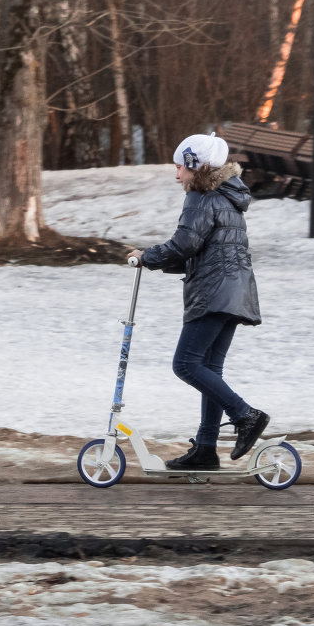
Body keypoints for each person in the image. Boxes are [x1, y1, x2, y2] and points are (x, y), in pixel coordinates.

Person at [127, 132, 269, 471]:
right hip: (235, 291)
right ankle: (206, 449)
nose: (176, 175)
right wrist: (160, 261)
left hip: (213, 292)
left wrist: (147, 256)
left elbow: (184, 244)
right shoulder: (227, 196)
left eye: (179, 167)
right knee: (210, 369)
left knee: (186, 364)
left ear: (195, 166)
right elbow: (204, 249)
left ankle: (246, 415)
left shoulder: (201, 197)